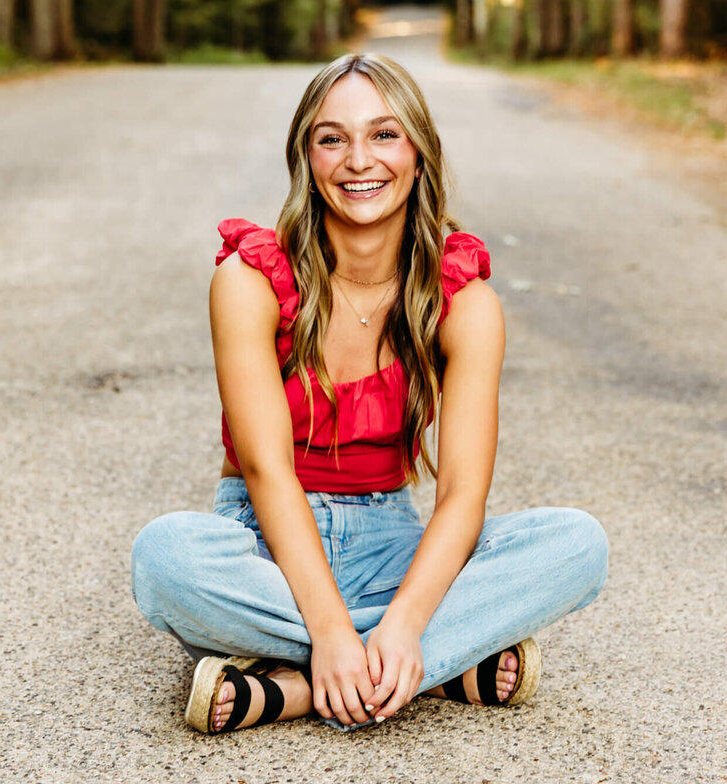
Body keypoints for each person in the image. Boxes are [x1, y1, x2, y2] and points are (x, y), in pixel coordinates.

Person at [130, 52, 608, 734]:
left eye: (384, 134)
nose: (360, 159)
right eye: (333, 138)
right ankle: (433, 670)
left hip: (391, 543)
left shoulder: (464, 302)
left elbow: (464, 496)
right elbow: (266, 470)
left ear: (418, 153)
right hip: (264, 537)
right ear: (307, 158)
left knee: (577, 545)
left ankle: (296, 687)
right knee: (165, 558)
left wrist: (407, 620)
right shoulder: (250, 280)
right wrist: (329, 629)